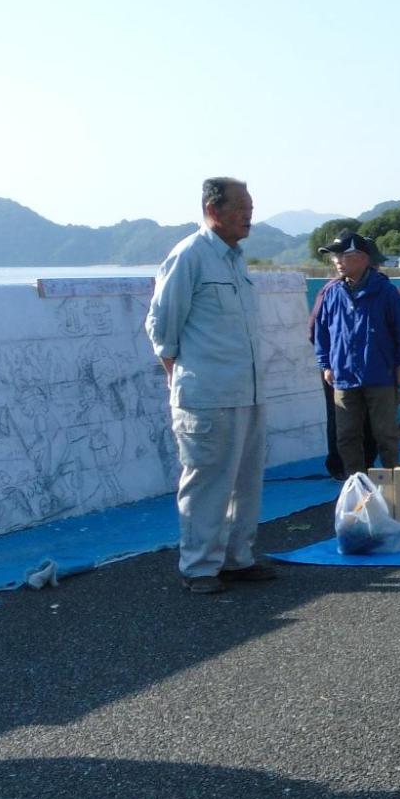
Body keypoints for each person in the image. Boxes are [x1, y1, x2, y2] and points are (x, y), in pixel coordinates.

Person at [145, 177, 277, 595]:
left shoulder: (235, 260)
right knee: (207, 482)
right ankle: (200, 567)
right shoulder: (189, 256)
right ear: (213, 209)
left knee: (245, 480)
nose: (249, 214)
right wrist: (178, 374)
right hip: (207, 395)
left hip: (247, 391)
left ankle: (238, 559)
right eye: (241, 206)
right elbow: (162, 326)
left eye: (251, 206)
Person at [312, 230, 400, 477]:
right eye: (334, 257)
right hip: (343, 377)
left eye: (343, 255)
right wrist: (326, 364)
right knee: (346, 435)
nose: (337, 261)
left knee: (385, 434)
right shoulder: (332, 293)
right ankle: (356, 485)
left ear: (362, 258)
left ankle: (394, 482)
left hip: (380, 375)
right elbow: (322, 333)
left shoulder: (386, 292)